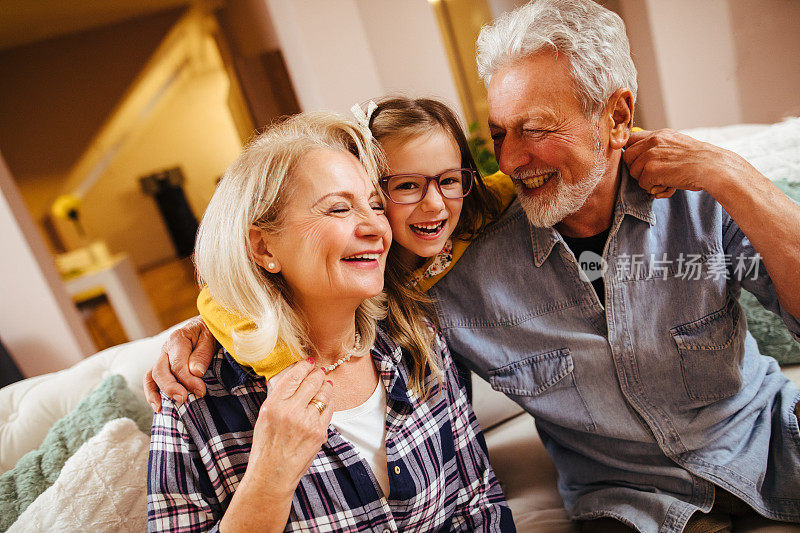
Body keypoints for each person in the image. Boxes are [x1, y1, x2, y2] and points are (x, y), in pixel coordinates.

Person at [149, 2, 800, 531]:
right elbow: (309, 274)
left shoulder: (691, 200)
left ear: (617, 117)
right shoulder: (447, 278)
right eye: (499, 135)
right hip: (631, 504)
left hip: (770, 446)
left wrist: (733, 174)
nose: (514, 160)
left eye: (536, 128)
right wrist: (215, 318)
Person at [146, 111, 514, 532]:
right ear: (263, 245)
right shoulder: (193, 398)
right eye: (339, 208)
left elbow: (478, 502)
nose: (376, 227)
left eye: (376, 205)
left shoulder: (416, 342)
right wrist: (270, 478)